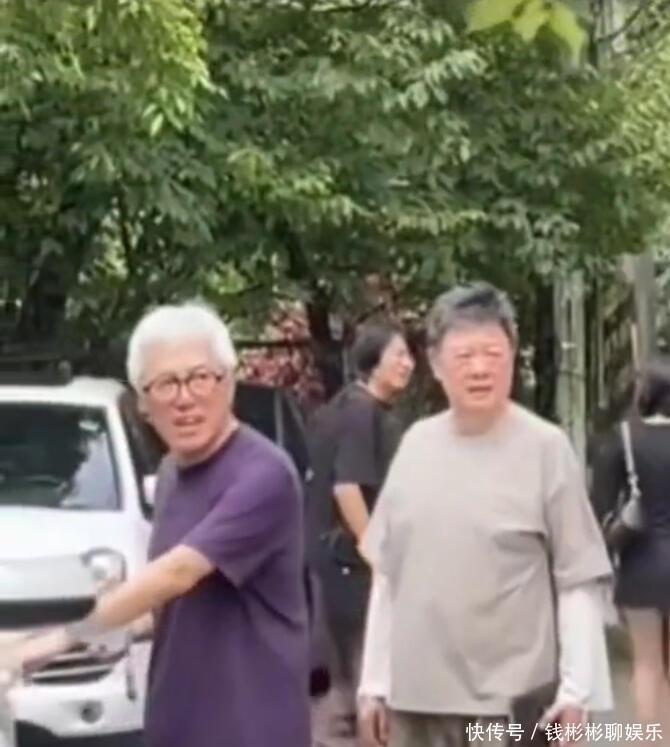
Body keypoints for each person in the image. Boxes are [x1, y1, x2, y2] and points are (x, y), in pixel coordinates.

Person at [8, 301, 311, 747]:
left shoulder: (263, 474)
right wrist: (55, 640)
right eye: (166, 384)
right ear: (144, 404)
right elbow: (171, 605)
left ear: (229, 383)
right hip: (179, 722)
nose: (184, 398)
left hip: (250, 727)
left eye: (200, 377)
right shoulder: (171, 473)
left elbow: (177, 573)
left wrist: (54, 642)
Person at [357, 283, 614, 747]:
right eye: (464, 356)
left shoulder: (546, 448)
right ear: (436, 364)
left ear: (513, 357)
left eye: (493, 354)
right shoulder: (415, 445)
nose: (479, 369)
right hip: (416, 700)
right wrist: (373, 684)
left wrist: (577, 691)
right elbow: (388, 576)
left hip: (511, 703)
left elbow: (577, 579)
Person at [308, 320, 414, 746]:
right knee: (368, 684)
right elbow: (347, 487)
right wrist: (377, 555)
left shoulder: (343, 407)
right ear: (373, 362)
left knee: (350, 683)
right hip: (351, 566)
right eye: (398, 355)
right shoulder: (360, 412)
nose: (408, 364)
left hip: (334, 563)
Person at [591, 359, 670, 733]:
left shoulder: (621, 442)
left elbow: (599, 510)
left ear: (642, 396)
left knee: (647, 665)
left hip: (640, 567)